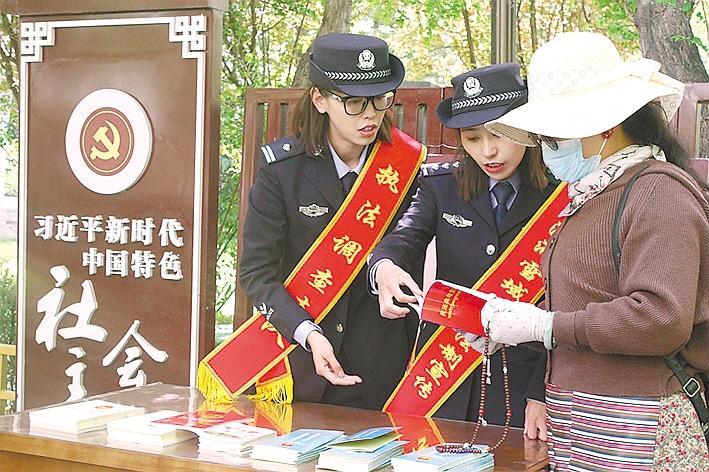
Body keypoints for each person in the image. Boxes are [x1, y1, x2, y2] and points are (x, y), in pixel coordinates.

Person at [482, 32, 709, 471]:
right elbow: (585, 301)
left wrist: (545, 326)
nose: (547, 151)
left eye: (553, 138)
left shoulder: (658, 193)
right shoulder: (596, 193)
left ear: (603, 126)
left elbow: (660, 318)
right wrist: (511, 325)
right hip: (584, 420)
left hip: (638, 422)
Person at [238, 33, 424, 410]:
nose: (370, 115)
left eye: (380, 99)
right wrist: (308, 333)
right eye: (354, 102)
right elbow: (257, 274)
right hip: (302, 365)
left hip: (384, 371)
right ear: (320, 99)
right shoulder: (283, 171)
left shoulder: (406, 166)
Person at [368, 63, 555, 439]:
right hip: (446, 375)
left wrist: (541, 390)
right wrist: (384, 266)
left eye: (500, 134)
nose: (488, 151)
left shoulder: (560, 192)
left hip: (523, 380)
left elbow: (570, 303)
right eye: (472, 138)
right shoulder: (443, 185)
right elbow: (405, 237)